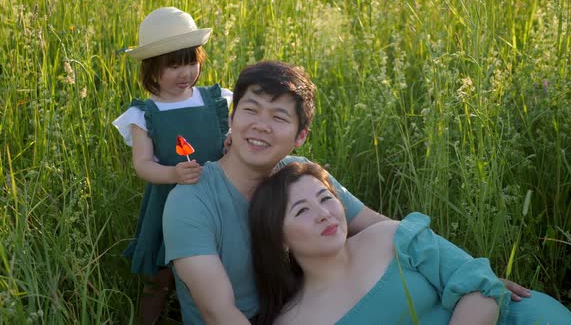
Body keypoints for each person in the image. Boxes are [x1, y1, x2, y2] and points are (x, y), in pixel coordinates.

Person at [162, 60, 529, 324]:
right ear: (232, 116)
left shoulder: (298, 173)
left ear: (300, 135)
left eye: (279, 118)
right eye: (251, 110)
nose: (261, 126)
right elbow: (218, 311)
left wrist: (458, 270)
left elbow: (378, 227)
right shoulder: (190, 200)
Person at [248, 161, 571, 325]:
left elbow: (480, 285)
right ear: (280, 239)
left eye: (326, 198)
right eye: (302, 210)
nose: (323, 214)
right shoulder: (293, 320)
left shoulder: (389, 236)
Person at [112, 7, 231, 324]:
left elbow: (233, 141)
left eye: (191, 61)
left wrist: (232, 144)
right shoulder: (144, 114)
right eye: (173, 65)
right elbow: (143, 165)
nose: (185, 72)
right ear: (152, 69)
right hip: (169, 203)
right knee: (160, 276)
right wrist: (173, 174)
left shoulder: (215, 99)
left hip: (219, 197)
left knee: (222, 266)